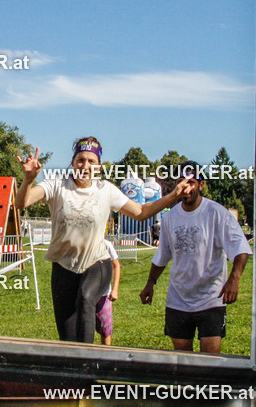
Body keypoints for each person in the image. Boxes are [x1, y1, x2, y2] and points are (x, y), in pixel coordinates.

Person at [16, 137, 188, 343]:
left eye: (91, 161)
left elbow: (142, 212)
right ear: (73, 162)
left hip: (97, 263)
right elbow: (22, 203)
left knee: (86, 298)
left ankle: (89, 363)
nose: (85, 166)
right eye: (81, 160)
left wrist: (173, 196)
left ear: (99, 166)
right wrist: (28, 179)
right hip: (63, 268)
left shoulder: (106, 190)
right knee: (68, 339)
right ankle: (77, 369)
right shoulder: (56, 185)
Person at [140, 161, 251, 354]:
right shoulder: (170, 217)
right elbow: (163, 254)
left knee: (210, 359)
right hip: (178, 299)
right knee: (183, 360)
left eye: (191, 182)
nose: (185, 188)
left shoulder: (217, 213)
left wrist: (234, 278)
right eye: (181, 182)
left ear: (201, 185)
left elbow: (240, 248)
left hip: (211, 299)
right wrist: (150, 282)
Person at [95, 240, 121, 346]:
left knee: (105, 330)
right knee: (84, 330)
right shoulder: (83, 242)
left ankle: (106, 356)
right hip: (84, 295)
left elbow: (116, 265)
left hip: (103, 295)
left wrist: (115, 289)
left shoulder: (106, 244)